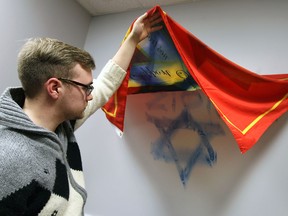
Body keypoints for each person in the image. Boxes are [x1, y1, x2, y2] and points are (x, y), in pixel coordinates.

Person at [0, 12, 162, 215]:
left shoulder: (61, 126)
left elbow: (105, 85)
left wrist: (133, 38)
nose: (91, 96)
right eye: (86, 88)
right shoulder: (8, 158)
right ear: (55, 88)